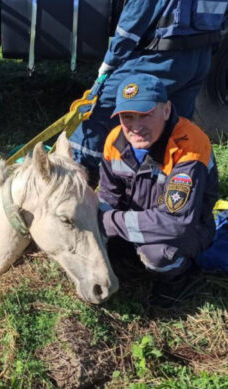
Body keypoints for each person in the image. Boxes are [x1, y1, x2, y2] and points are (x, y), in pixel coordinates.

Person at [70, 0, 228, 188]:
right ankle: (172, 184)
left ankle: (77, 178)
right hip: (199, 58)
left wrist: (111, 60)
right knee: (174, 126)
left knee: (100, 109)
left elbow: (134, 19)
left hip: (160, 57)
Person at [97, 73, 219, 308]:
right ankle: (132, 259)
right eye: (127, 117)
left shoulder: (189, 148)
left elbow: (176, 222)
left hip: (189, 228)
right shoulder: (114, 141)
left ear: (166, 110)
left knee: (157, 253)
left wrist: (111, 223)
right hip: (136, 220)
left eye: (145, 115)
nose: (135, 127)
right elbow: (108, 195)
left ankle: (177, 277)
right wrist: (99, 224)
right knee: (99, 243)